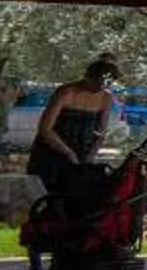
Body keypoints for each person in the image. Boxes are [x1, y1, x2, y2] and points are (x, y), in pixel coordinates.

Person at [31, 56, 119, 196]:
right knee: (45, 193)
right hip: (52, 151)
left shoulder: (105, 97)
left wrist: (92, 154)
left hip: (82, 152)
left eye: (105, 85)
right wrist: (68, 152)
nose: (99, 88)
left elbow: (101, 131)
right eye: (96, 83)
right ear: (88, 77)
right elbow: (45, 129)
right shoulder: (66, 92)